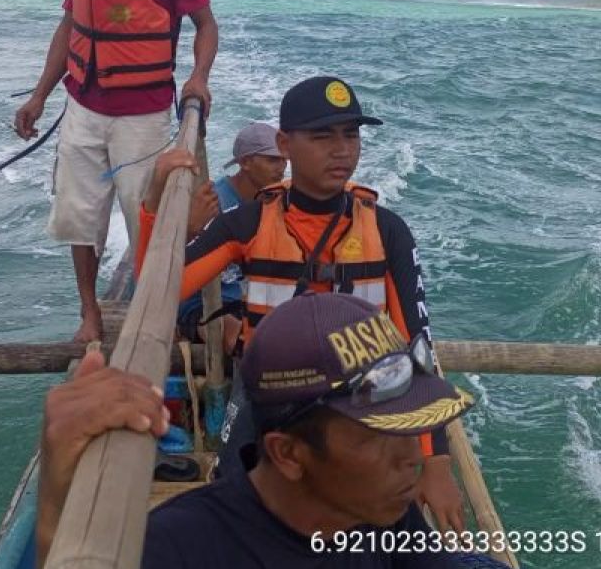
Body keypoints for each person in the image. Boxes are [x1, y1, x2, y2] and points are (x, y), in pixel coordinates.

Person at [134, 76, 466, 532]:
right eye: (322, 136)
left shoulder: (388, 231)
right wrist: (153, 205)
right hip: (268, 397)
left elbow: (417, 346)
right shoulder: (248, 221)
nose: (342, 150)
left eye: (351, 135)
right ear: (285, 144)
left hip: (359, 401)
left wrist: (436, 462)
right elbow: (158, 290)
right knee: (237, 504)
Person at [38, 293, 543, 569]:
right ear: (287, 453)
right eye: (376, 437)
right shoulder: (179, 558)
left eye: (407, 425)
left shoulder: (380, 512)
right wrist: (57, 502)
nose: (411, 457)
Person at [12, 0, 218, 344]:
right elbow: (69, 27)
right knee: (79, 215)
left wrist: (198, 79)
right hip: (82, 106)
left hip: (141, 116)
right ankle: (90, 315)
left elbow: (206, 24)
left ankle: (155, 314)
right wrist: (39, 95)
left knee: (143, 214)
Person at [178, 121, 287, 353]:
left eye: (284, 160)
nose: (282, 168)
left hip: (251, 299)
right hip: (204, 306)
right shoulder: (211, 204)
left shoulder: (274, 201)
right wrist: (191, 229)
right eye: (272, 160)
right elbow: (170, 264)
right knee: (234, 333)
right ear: (245, 162)